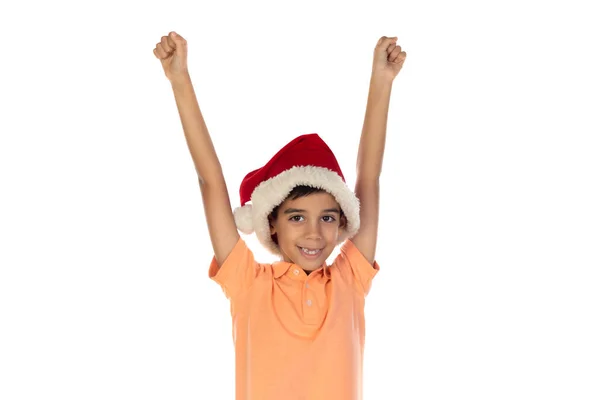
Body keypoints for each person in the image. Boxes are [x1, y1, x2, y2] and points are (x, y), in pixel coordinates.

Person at [153, 31, 406, 400]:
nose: (314, 234)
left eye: (328, 218)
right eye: (297, 217)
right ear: (271, 221)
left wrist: (382, 81)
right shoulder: (248, 283)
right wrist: (179, 80)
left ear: (343, 222)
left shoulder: (349, 280)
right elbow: (210, 179)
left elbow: (369, 177)